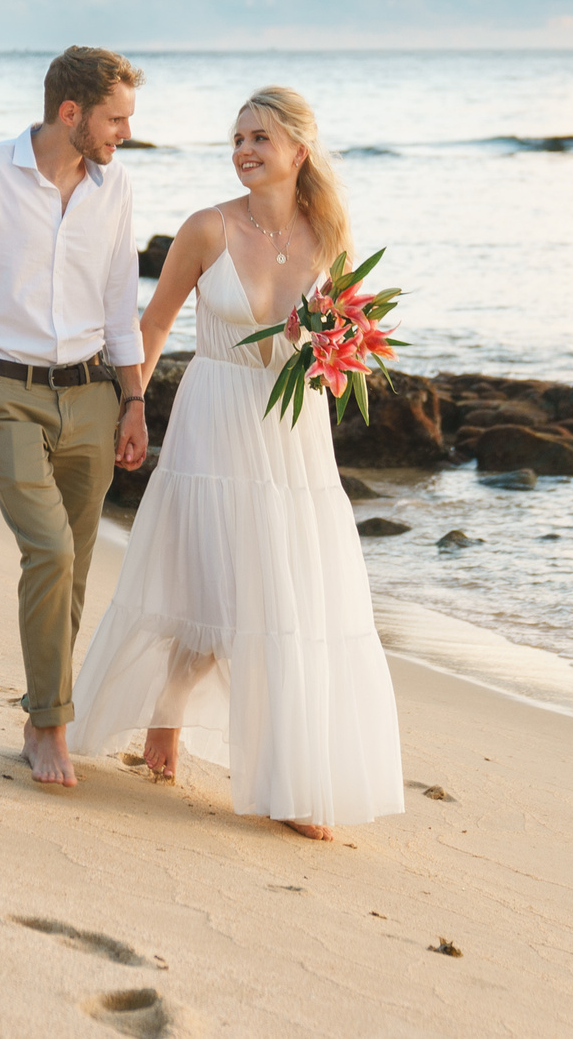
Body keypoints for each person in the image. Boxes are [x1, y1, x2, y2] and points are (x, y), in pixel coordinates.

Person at [71, 87, 405, 839]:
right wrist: (133, 406)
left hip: (292, 432)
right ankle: (179, 722)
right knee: (210, 572)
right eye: (238, 138)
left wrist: (332, 355)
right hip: (214, 416)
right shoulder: (208, 228)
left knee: (286, 594)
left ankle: (286, 776)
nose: (245, 150)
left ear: (299, 152)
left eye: (260, 137)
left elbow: (342, 348)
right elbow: (154, 324)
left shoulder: (331, 239)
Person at [0, 46, 151, 786]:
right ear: (70, 113)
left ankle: (44, 714)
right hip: (2, 391)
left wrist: (134, 400)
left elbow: (121, 302)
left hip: (92, 394)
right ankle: (49, 725)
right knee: (49, 549)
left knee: (74, 563)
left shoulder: (115, 188)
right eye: (115, 119)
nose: (126, 133)